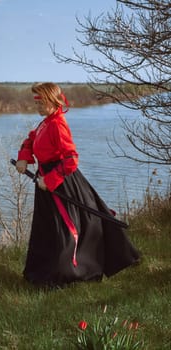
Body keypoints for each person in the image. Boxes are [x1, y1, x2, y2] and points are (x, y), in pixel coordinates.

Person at [15, 82, 140, 287]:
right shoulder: (45, 122)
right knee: (46, 229)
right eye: (35, 101)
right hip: (45, 182)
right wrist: (23, 157)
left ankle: (70, 274)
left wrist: (51, 180)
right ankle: (43, 273)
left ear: (52, 100)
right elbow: (31, 139)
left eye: (40, 102)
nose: (36, 106)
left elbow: (71, 159)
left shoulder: (58, 124)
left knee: (65, 229)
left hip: (61, 184)